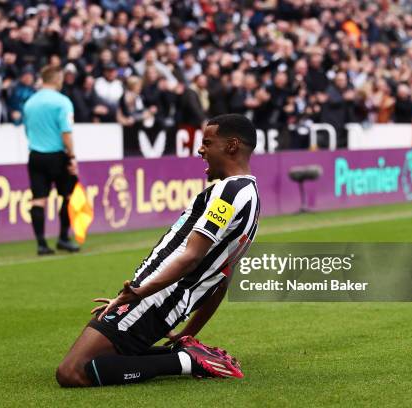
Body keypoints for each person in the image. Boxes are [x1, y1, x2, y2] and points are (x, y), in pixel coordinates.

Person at [56, 113, 260, 387]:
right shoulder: (251, 199)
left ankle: (185, 361)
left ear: (232, 146)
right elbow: (223, 277)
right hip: (159, 300)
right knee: (101, 358)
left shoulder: (230, 192)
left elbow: (192, 256)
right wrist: (188, 332)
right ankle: (186, 354)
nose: (200, 149)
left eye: (208, 143)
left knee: (72, 372)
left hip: (155, 297)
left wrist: (140, 293)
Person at [23, 65, 80, 255]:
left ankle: (41, 244)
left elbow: (27, 131)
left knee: (38, 200)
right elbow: (66, 133)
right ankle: (63, 238)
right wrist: (71, 156)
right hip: (57, 155)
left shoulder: (29, 102)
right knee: (68, 196)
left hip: (36, 155)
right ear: (56, 79)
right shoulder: (62, 102)